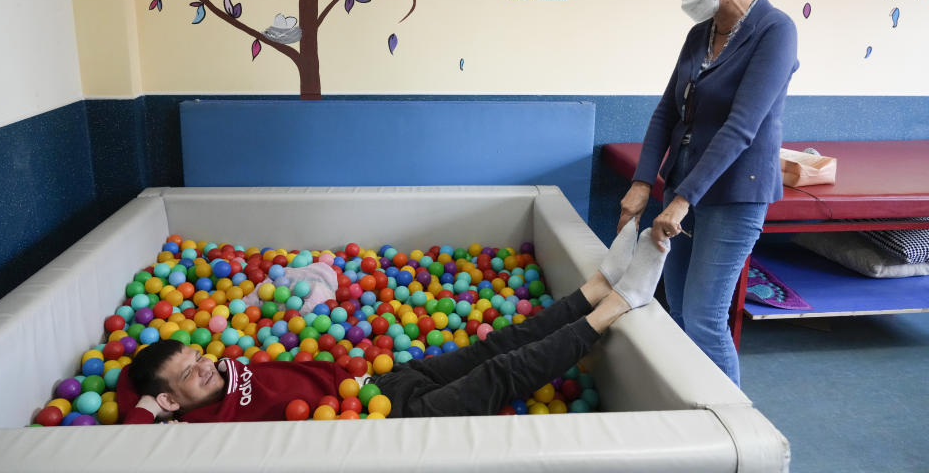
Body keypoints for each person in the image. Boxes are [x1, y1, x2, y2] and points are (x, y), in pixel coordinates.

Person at [118, 225, 667, 423]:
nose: (207, 365)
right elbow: (131, 416)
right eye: (191, 374)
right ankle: (617, 305)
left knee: (497, 344)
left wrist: (172, 379)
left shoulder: (214, 375)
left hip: (377, 384)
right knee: (503, 374)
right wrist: (151, 400)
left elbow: (157, 377)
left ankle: (594, 288)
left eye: (198, 357)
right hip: (391, 420)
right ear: (168, 404)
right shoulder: (198, 428)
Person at [617, 0, 798, 386]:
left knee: (704, 319)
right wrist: (643, 183)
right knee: (677, 309)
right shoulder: (701, 32)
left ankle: (735, 435)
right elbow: (666, 112)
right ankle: (689, 414)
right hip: (684, 188)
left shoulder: (774, 30)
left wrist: (683, 199)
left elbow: (741, 127)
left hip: (734, 194)